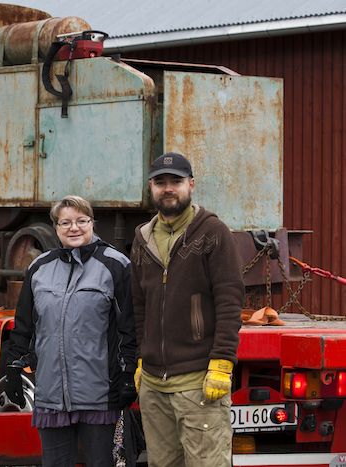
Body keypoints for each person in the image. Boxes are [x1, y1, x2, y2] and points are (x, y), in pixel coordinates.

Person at [5, 195, 137, 467]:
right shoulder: (39, 268)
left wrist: (127, 374)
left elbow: (130, 327)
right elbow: (25, 326)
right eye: (65, 222)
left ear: (92, 223)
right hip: (52, 396)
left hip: (101, 395)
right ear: (55, 228)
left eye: (81, 221)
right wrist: (13, 367)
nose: (73, 228)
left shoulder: (115, 265)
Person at [130, 152, 244, 467]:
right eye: (160, 182)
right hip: (154, 386)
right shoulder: (142, 238)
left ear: (190, 185)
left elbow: (229, 300)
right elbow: (140, 305)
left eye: (176, 182)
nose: (168, 189)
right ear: (151, 187)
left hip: (199, 384)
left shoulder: (212, 232)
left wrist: (222, 363)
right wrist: (143, 357)